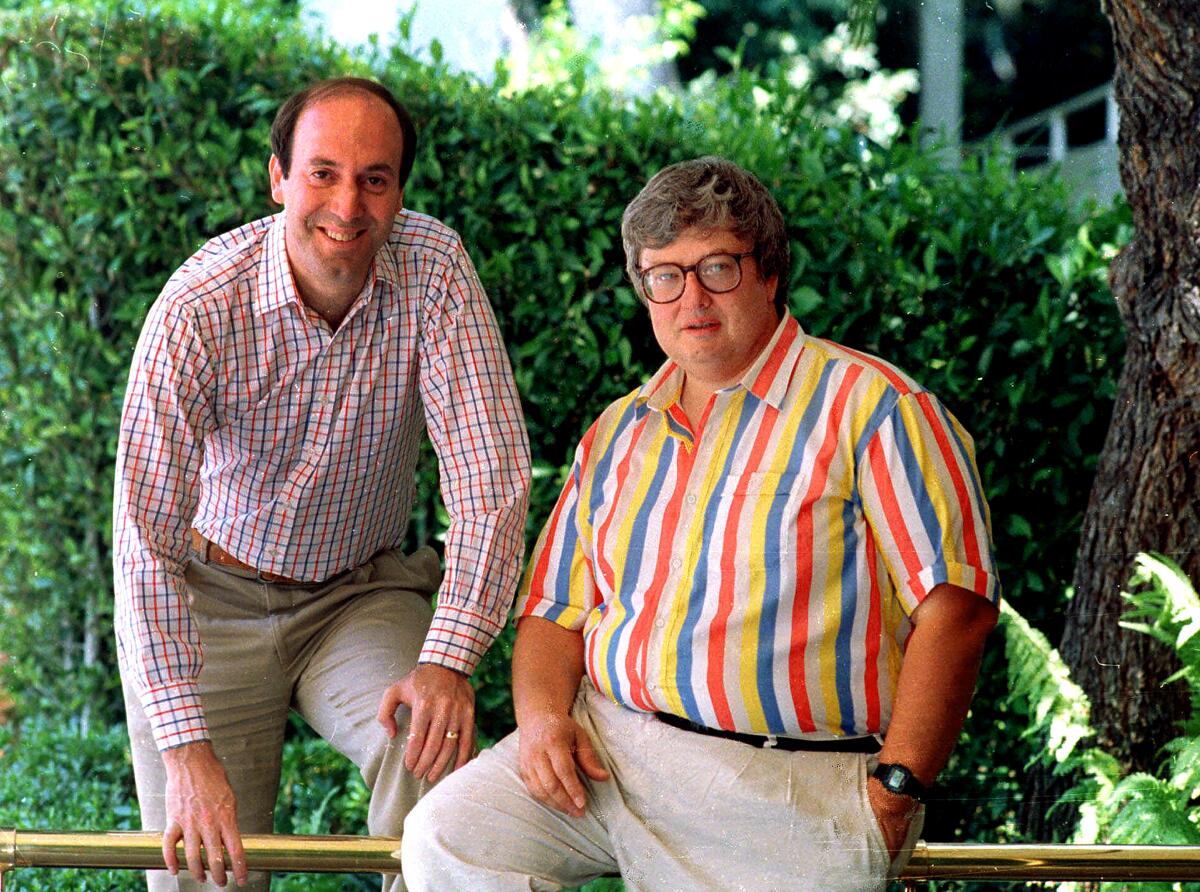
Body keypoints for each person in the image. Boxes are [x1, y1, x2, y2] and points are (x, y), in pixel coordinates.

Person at [402, 156, 1000, 891]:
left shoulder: (875, 410)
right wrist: (542, 721)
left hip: (786, 785)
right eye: (665, 275)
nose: (692, 298)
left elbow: (957, 610)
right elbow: (553, 613)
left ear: (770, 272)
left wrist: (895, 790)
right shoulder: (618, 430)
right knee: (449, 839)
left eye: (718, 267)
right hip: (607, 750)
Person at [113, 77, 530, 891]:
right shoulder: (200, 306)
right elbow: (144, 538)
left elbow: (491, 484)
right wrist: (185, 751)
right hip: (211, 600)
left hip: (359, 596)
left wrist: (448, 659)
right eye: (323, 172)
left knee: (431, 745)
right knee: (203, 868)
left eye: (376, 178)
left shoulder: (434, 269)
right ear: (278, 178)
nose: (349, 203)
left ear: (400, 190)